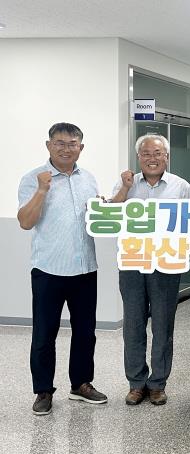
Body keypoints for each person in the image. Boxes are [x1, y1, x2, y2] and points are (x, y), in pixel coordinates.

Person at [18, 122, 107, 416]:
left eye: (72, 144)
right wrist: (42, 190)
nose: (66, 149)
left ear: (81, 148)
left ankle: (80, 384)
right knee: (44, 334)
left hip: (85, 269)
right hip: (48, 269)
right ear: (48, 145)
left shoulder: (89, 179)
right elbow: (25, 222)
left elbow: (98, 217)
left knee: (85, 332)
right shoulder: (33, 178)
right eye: (59, 143)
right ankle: (43, 390)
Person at [110, 134, 190, 406]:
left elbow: (189, 222)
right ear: (139, 157)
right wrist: (124, 189)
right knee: (133, 325)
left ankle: (157, 384)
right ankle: (136, 383)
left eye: (158, 153)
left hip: (166, 264)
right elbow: (111, 215)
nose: (152, 158)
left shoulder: (180, 186)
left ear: (166, 156)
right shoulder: (127, 183)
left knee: (163, 325)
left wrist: (188, 240)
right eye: (146, 153)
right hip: (132, 264)